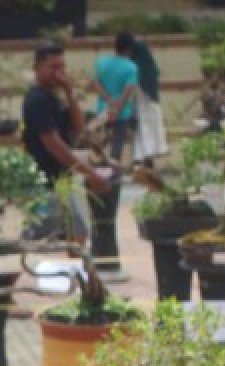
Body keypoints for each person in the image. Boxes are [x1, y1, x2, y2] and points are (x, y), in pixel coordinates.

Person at [21, 40, 108, 245]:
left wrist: (70, 92)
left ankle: (78, 272)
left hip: (63, 179)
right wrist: (89, 173)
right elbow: (52, 143)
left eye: (62, 67)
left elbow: (78, 127)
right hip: (44, 180)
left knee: (78, 233)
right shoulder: (37, 100)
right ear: (38, 68)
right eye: (53, 67)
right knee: (40, 235)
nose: (59, 72)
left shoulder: (54, 97)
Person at [92, 32, 140, 163]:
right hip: (122, 112)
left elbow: (95, 83)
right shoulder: (131, 67)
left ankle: (99, 166)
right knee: (117, 144)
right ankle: (113, 173)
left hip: (103, 110)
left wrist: (109, 100)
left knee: (101, 141)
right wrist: (118, 106)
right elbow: (129, 89)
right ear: (130, 48)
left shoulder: (101, 62)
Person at [128, 33, 167, 168]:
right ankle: (145, 156)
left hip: (142, 101)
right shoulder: (148, 65)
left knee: (142, 128)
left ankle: (142, 156)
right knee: (146, 128)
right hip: (149, 101)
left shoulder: (136, 66)